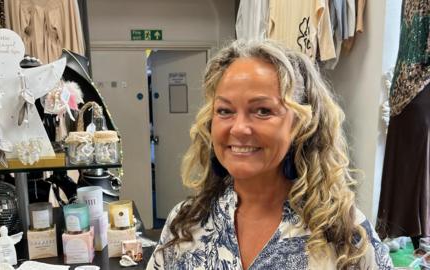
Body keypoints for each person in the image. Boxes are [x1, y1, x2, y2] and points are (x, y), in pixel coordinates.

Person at [146, 40, 393, 269]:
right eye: (225, 110)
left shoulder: (345, 236)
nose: (239, 128)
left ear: (300, 125)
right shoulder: (186, 223)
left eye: (263, 111)